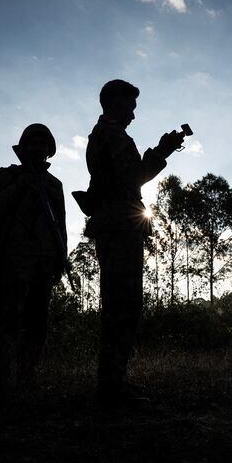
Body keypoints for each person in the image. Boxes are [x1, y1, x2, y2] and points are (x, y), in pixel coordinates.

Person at [79, 79, 184, 404]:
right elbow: (132, 177)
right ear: (114, 103)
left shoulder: (109, 134)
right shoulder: (110, 134)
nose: (134, 115)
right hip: (118, 227)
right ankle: (111, 388)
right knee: (122, 306)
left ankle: (114, 383)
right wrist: (162, 151)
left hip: (118, 226)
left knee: (122, 304)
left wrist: (159, 151)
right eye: (130, 107)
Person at [0, 124, 67, 401]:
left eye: (44, 144)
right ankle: (3, 384)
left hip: (44, 262)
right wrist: (20, 186)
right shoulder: (3, 177)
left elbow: (60, 225)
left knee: (37, 324)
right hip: (13, 260)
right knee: (9, 322)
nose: (39, 149)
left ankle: (27, 380)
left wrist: (60, 260)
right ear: (24, 146)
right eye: (34, 143)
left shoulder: (54, 185)